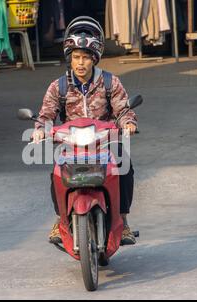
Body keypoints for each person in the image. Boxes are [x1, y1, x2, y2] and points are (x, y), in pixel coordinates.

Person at [31, 16, 138, 245]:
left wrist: (128, 123)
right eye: (76, 57)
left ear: (95, 59)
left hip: (105, 141)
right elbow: (46, 114)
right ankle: (60, 221)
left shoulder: (110, 82)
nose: (80, 63)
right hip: (71, 142)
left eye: (86, 58)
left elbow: (122, 110)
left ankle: (123, 221)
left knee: (124, 167)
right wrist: (40, 129)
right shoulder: (58, 86)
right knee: (57, 173)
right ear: (70, 59)